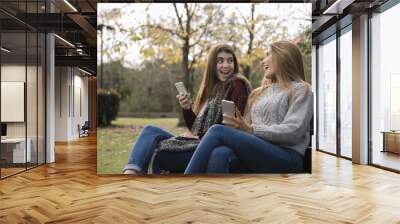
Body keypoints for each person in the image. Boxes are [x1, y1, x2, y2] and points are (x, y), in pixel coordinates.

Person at [184, 40, 313, 174]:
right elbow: (245, 129)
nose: (263, 61)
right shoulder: (257, 93)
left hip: (287, 157)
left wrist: (251, 130)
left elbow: (293, 132)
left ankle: (187, 184)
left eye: (268, 55)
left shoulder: (302, 89)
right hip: (258, 153)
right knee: (220, 153)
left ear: (283, 56)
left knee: (217, 130)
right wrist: (239, 126)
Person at [123, 43, 251, 174]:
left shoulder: (237, 84)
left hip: (210, 148)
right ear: (212, 65)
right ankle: (130, 173)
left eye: (230, 60)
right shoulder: (213, 90)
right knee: (150, 130)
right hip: (198, 143)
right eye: (220, 61)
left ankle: (132, 179)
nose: (226, 65)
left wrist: (196, 137)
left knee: (158, 152)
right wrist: (187, 108)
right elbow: (196, 128)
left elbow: (227, 130)